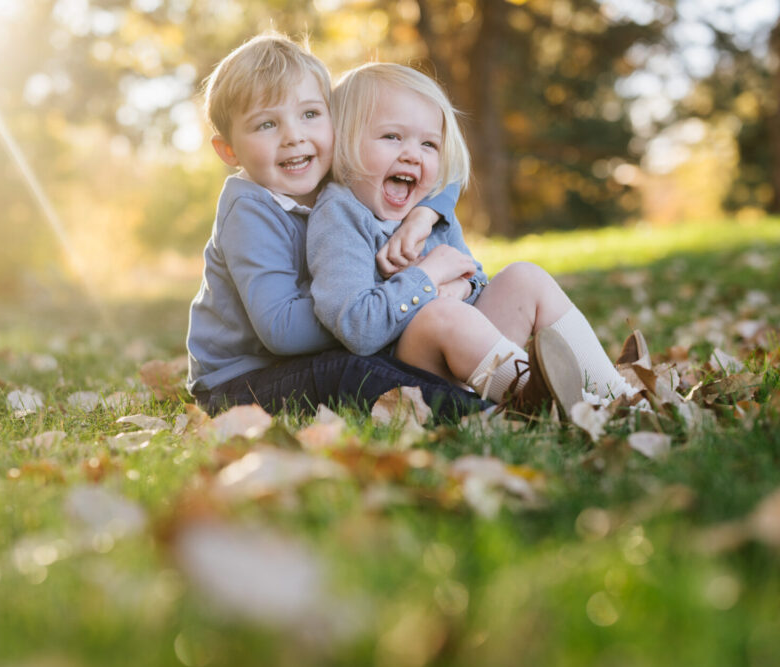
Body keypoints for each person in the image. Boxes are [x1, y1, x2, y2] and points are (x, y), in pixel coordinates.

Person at [307, 63, 646, 417]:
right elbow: (357, 329)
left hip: (471, 359)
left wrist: (463, 290)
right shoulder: (339, 214)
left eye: (428, 144)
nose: (412, 154)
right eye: (392, 137)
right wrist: (427, 279)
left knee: (523, 277)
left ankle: (620, 394)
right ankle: (571, 405)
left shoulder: (427, 212)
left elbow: (475, 276)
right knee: (440, 314)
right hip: (405, 375)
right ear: (343, 141)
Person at [185, 33, 491, 417]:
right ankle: (487, 414)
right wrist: (383, 297)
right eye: (266, 125)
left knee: (380, 359)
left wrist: (422, 215)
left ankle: (504, 379)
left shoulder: (328, 172)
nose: (294, 136)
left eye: (310, 114)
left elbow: (440, 177)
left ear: (336, 122)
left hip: (326, 348)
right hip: (244, 381)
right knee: (353, 372)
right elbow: (281, 330)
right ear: (229, 150)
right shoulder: (249, 209)